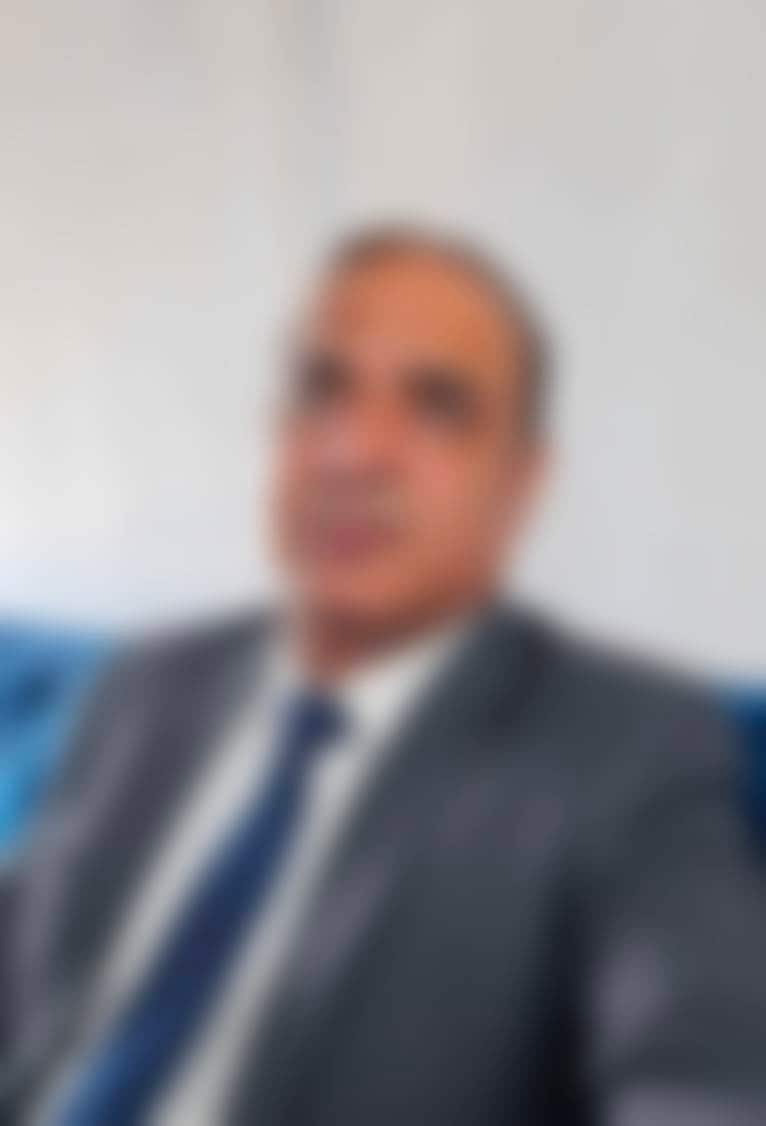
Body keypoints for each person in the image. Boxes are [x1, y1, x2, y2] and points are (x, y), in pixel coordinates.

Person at [3, 226, 766, 1125]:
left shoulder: (632, 748)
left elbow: (702, 1075)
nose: (353, 450)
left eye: (438, 405)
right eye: (321, 389)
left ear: (520, 481)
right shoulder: (148, 687)